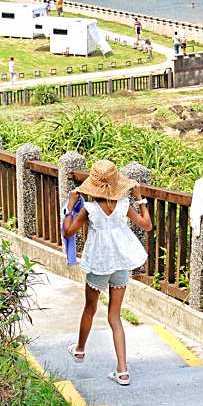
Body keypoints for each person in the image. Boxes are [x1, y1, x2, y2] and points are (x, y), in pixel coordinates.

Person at [63, 161, 153, 382]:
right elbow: (147, 225)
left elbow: (68, 233)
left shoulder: (89, 209)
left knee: (90, 308)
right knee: (115, 316)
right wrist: (139, 198)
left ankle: (80, 349)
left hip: (99, 265)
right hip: (120, 264)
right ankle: (122, 371)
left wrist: (69, 206)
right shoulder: (123, 205)